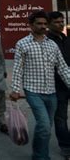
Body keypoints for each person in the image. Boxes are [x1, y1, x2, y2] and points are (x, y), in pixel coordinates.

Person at [11, 11, 70, 160]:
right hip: (33, 91)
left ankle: (38, 153)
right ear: (31, 25)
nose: (43, 26)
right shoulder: (22, 44)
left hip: (51, 92)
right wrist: (15, 89)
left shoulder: (52, 45)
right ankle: (40, 157)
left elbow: (63, 68)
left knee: (46, 128)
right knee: (44, 124)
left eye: (45, 24)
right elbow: (18, 68)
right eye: (39, 23)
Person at [47, 11, 70, 158]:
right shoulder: (47, 41)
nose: (60, 24)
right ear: (49, 24)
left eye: (61, 21)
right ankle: (66, 147)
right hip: (57, 86)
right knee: (60, 118)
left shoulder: (66, 38)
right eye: (56, 22)